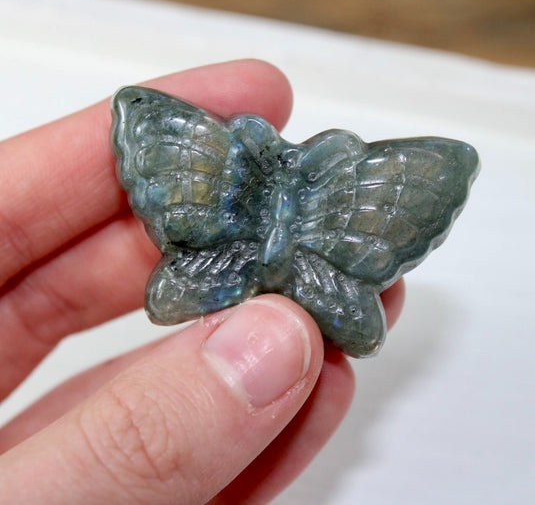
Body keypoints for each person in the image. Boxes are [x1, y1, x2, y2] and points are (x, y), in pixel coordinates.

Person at [0, 59, 404, 503]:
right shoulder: (201, 148)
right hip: (233, 258)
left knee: (358, 330)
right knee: (171, 298)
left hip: (290, 266)